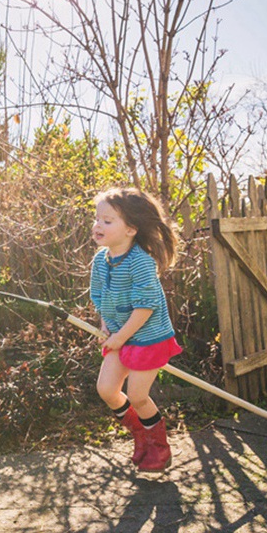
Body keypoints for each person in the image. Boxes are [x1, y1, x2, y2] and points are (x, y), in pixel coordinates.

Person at [90, 187, 182, 472]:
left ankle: (159, 447)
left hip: (147, 337)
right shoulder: (100, 262)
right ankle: (140, 435)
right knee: (107, 389)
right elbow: (102, 301)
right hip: (119, 336)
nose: (98, 225)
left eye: (108, 221)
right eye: (97, 219)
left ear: (131, 229)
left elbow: (145, 308)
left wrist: (120, 337)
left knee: (139, 395)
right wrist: (106, 328)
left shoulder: (141, 262)